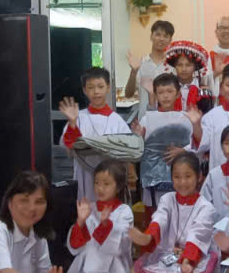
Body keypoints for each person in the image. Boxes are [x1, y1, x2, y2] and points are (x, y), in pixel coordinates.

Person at [60, 66, 132, 201]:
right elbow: (69, 146)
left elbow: (128, 152)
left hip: (110, 178)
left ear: (108, 87)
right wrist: (72, 123)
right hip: (84, 176)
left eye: (100, 86)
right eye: (91, 87)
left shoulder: (117, 120)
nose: (96, 92)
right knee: (86, 209)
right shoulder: (78, 117)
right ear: (84, 90)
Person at [135, 72, 195, 204]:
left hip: (181, 180)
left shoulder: (186, 118)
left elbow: (197, 144)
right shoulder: (146, 119)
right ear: (156, 95)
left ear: (178, 94)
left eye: (169, 91)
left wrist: (183, 151)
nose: (165, 96)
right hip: (153, 181)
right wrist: (139, 136)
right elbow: (138, 148)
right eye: (161, 92)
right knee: (155, 212)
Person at [125, 19, 175, 114]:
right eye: (158, 34)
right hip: (145, 118)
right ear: (151, 36)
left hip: (168, 118)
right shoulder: (141, 63)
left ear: (170, 40)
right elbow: (128, 94)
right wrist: (133, 72)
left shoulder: (173, 66)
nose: (161, 39)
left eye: (166, 36)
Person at [165, 39, 210, 111]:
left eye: (188, 65)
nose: (184, 69)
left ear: (194, 67)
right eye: (179, 65)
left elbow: (208, 114)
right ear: (175, 66)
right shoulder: (168, 88)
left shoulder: (203, 90)